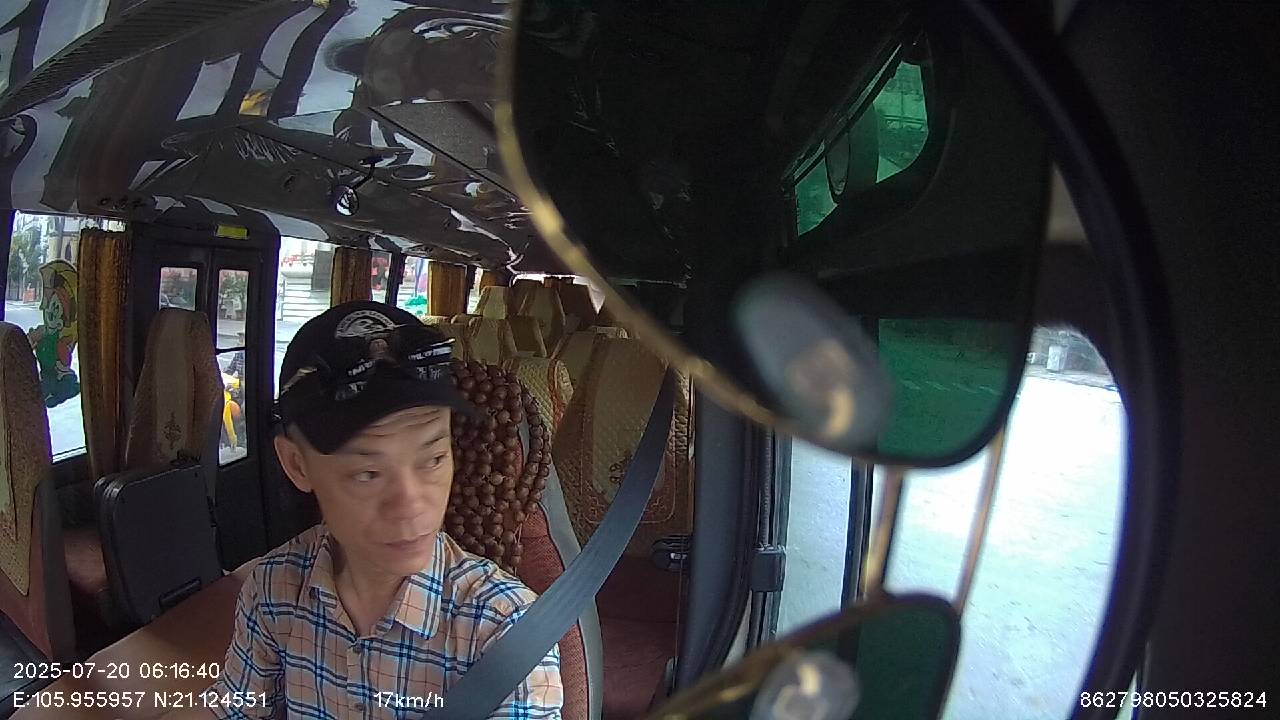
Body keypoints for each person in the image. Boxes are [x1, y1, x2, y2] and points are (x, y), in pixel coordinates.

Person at [167, 302, 562, 719]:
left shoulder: (505, 631)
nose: (411, 505)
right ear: (297, 465)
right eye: (368, 473)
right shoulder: (275, 591)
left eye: (432, 459)